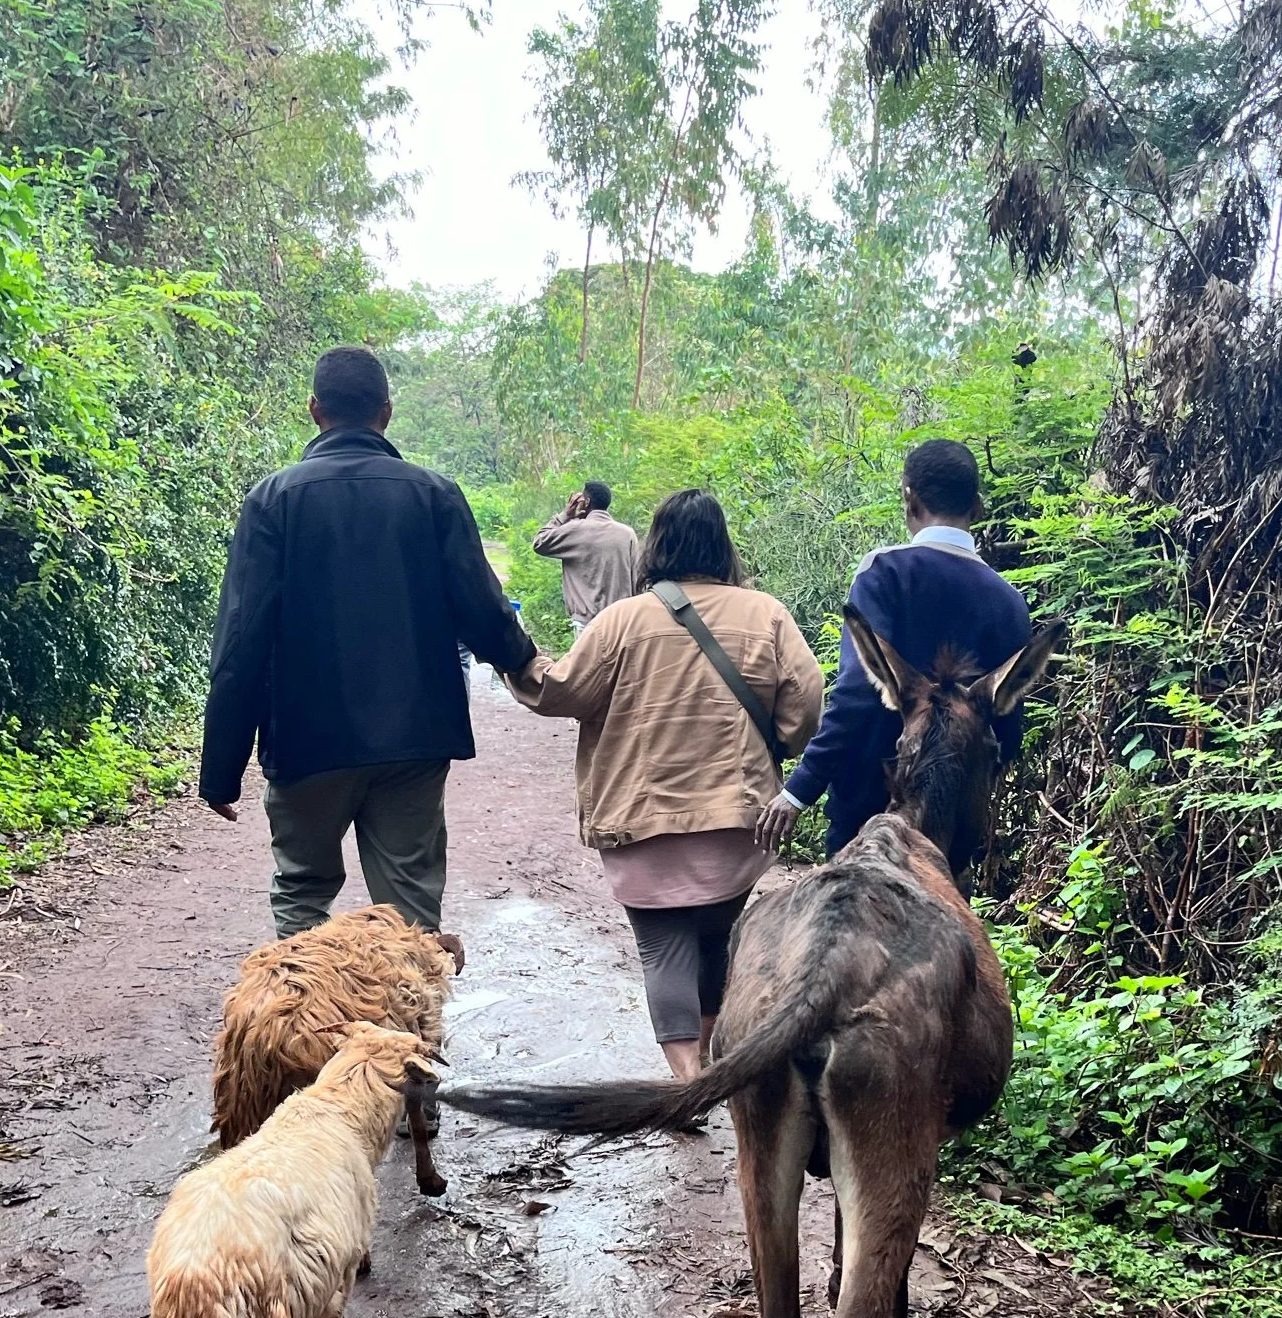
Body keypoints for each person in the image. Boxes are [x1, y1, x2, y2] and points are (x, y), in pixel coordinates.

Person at [200, 344, 534, 936]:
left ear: (314, 409)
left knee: (302, 892)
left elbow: (241, 641)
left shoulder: (273, 500)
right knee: (411, 911)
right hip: (415, 740)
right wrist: (526, 664)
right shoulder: (433, 494)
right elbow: (481, 607)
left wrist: (221, 766)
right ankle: (409, 1026)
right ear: (386, 411)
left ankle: (302, 1021)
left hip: (306, 741)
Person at [503, 489, 823, 1078]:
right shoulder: (767, 614)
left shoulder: (622, 620)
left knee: (661, 949)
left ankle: (687, 1079)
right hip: (736, 820)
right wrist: (778, 748)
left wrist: (517, 657)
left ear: (657, 546)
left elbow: (560, 693)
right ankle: (706, 1063)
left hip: (640, 818)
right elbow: (805, 707)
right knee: (714, 941)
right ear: (723, 544)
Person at [758, 438, 1032, 858]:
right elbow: (1008, 735)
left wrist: (801, 789)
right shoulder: (1009, 600)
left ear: (909, 497)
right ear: (977, 506)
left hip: (866, 813)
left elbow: (857, 691)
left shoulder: (885, 571)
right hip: (950, 836)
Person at [531, 481, 640, 636]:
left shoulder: (574, 530)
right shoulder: (627, 534)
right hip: (620, 621)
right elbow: (636, 579)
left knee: (586, 661)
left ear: (586, 502)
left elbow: (539, 542)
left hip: (586, 624)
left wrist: (565, 516)